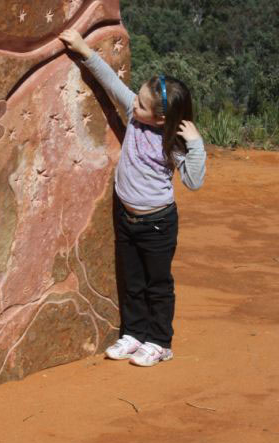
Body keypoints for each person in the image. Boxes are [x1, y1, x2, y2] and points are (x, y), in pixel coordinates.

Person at [59, 28, 206, 367]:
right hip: (126, 218)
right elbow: (111, 83)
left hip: (157, 224)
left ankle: (159, 341)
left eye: (141, 104)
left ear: (162, 118)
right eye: (137, 98)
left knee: (157, 284)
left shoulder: (174, 144)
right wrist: (83, 50)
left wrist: (196, 143)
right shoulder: (133, 117)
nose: (133, 103)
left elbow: (194, 181)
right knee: (133, 281)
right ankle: (134, 333)